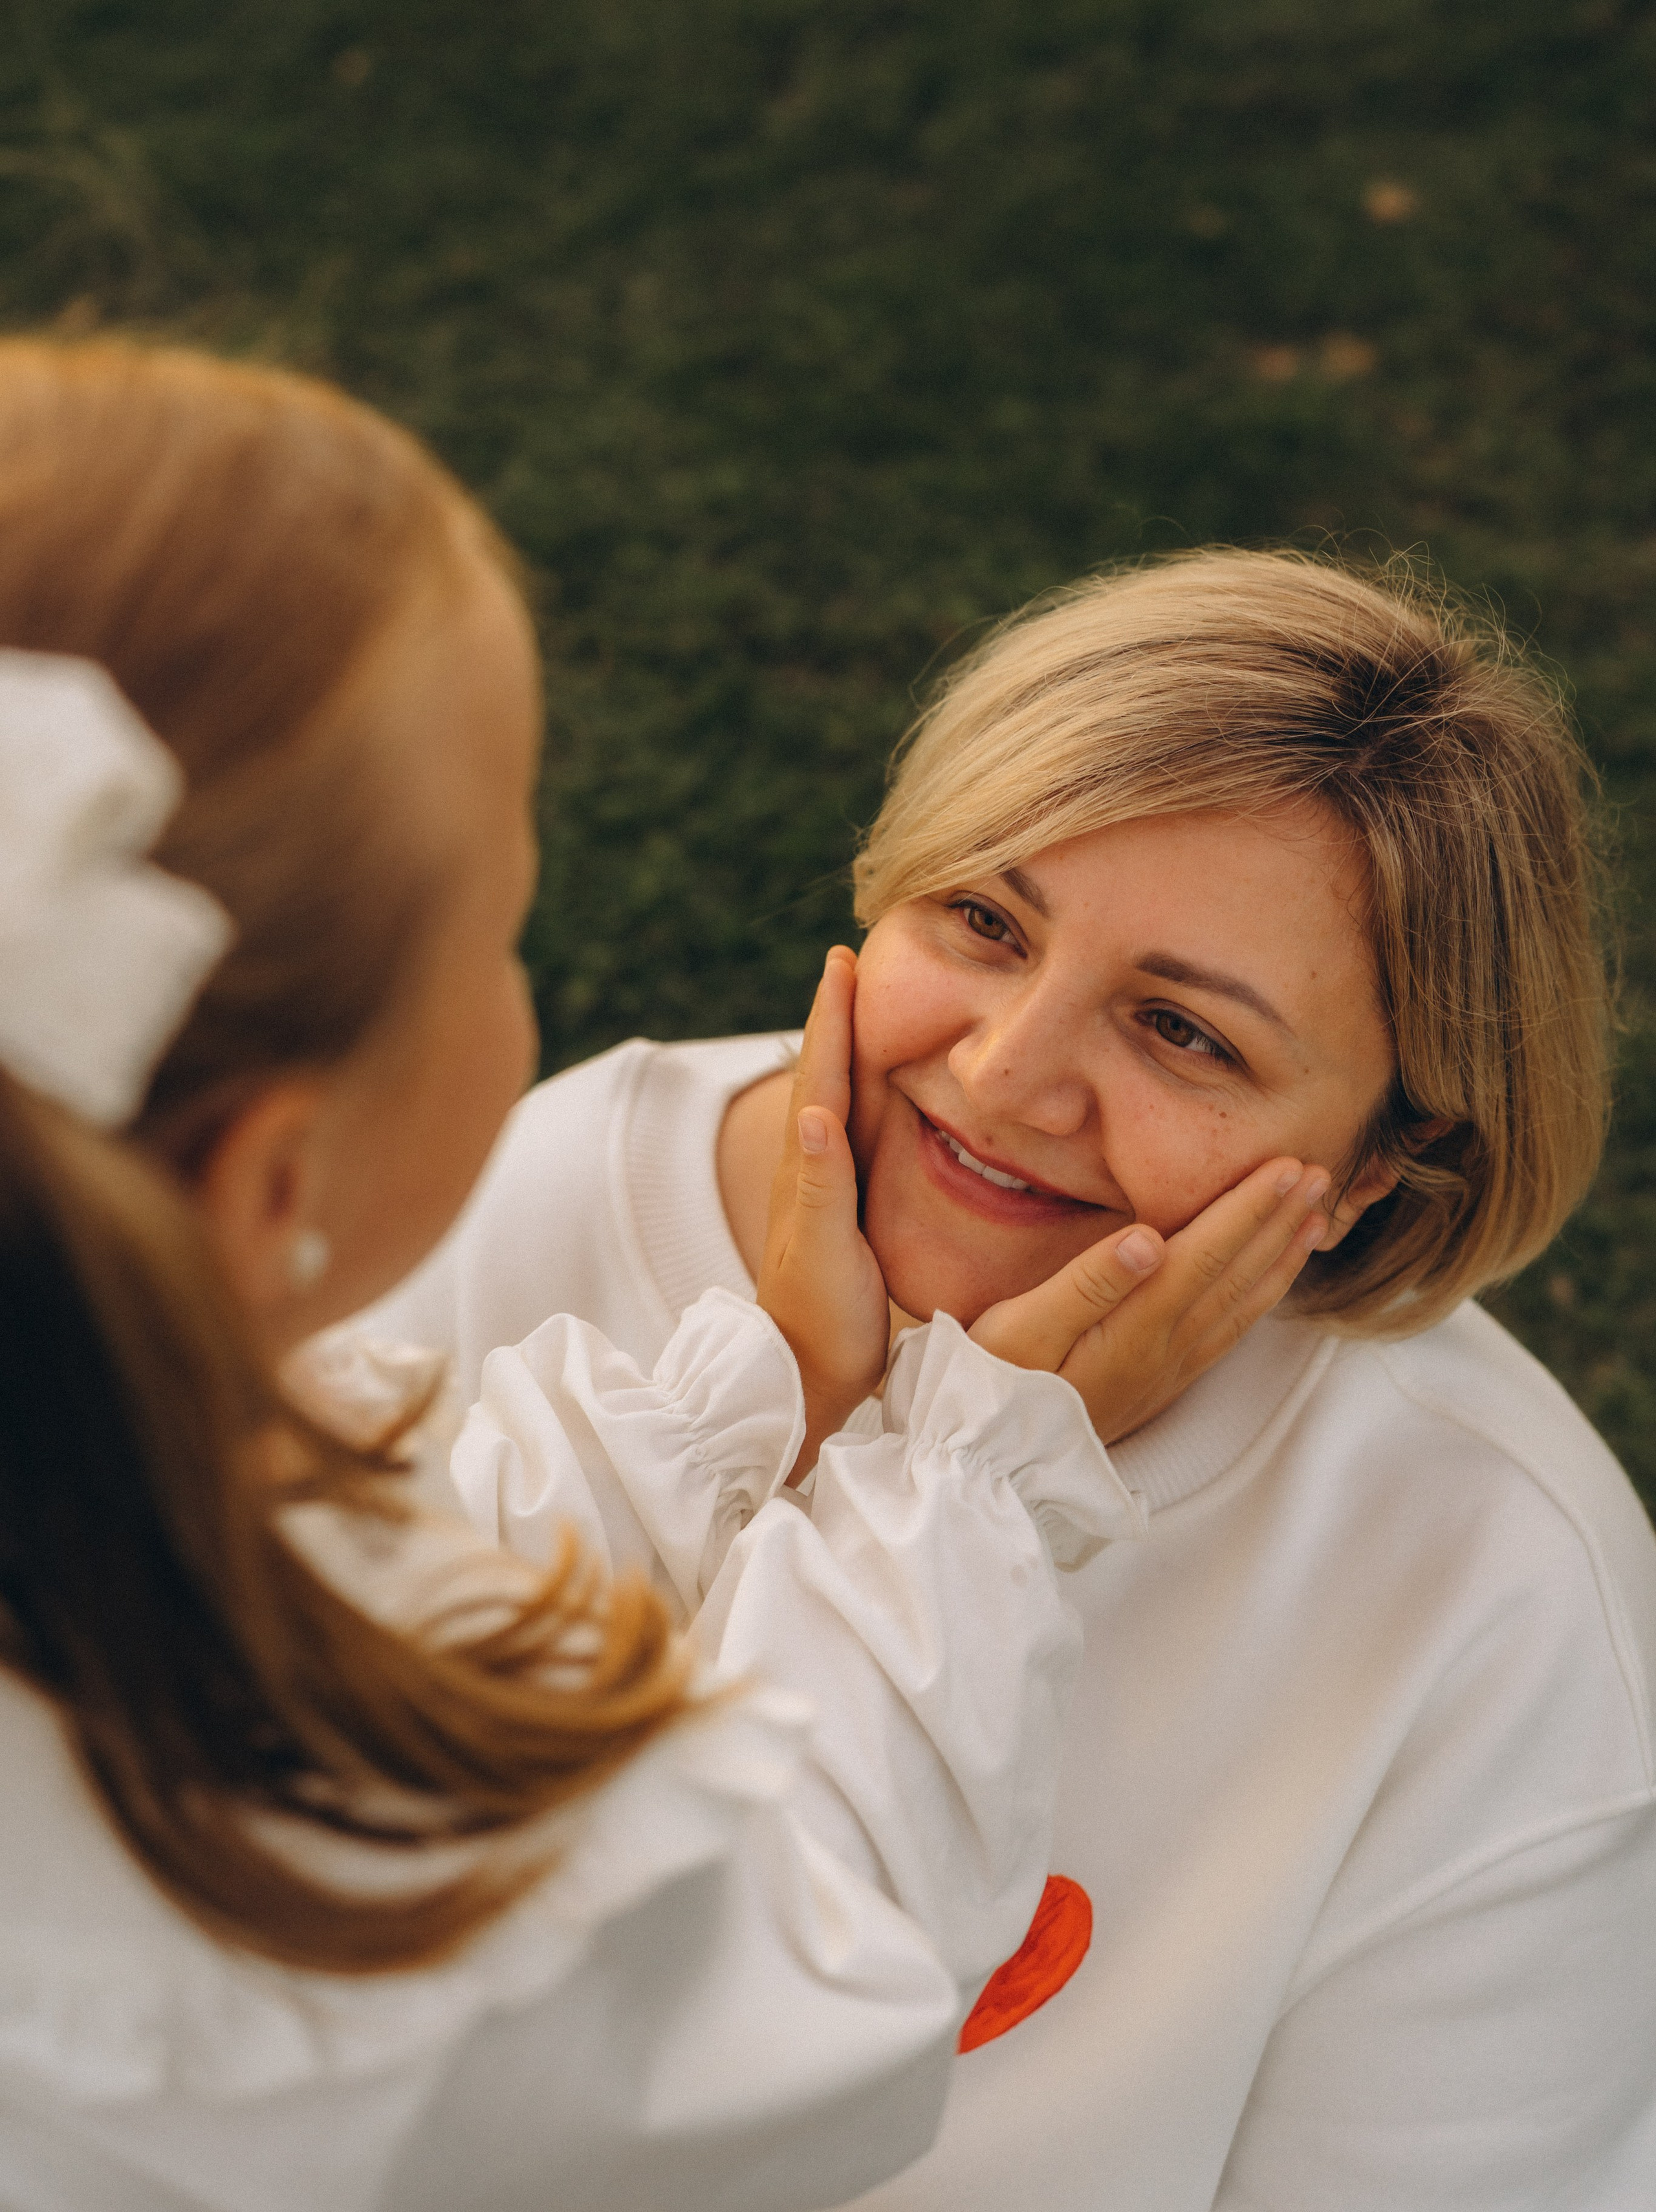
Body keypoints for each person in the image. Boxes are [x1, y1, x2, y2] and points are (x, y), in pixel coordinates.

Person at [0, 341, 1329, 2212]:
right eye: (504, 921)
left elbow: (362, 1576)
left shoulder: (90, 1455)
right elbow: (801, 1980)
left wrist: (761, 1386)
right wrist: (967, 1479)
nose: (1016, 1076)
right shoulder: (266, 1949)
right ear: (273, 1174)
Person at [380, 550, 1656, 2211]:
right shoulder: (541, 1189)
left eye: (1182, 1033)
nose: (1002, 1077)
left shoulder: (1495, 1587)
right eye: (982, 919)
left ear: (1373, 1170)